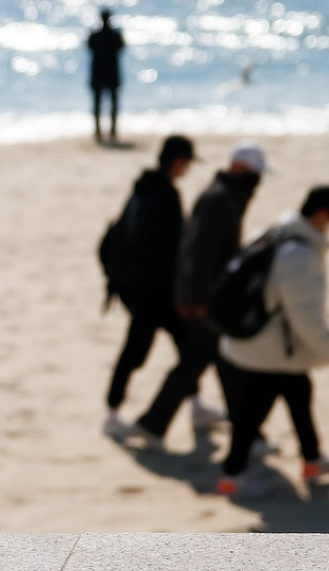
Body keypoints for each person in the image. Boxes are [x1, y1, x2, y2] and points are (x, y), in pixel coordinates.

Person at [109, 141, 268, 447]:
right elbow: (192, 253)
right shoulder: (213, 200)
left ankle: (155, 423)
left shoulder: (207, 196)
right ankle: (246, 434)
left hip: (171, 295)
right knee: (206, 363)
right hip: (183, 299)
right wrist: (191, 300)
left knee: (196, 362)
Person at [216, 187, 329, 495]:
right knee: (253, 412)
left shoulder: (272, 233)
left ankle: (313, 460)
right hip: (271, 348)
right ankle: (232, 476)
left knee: (299, 391)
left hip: (257, 341)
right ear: (321, 214)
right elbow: (304, 314)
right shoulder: (299, 255)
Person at [103, 135, 196, 435]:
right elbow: (172, 251)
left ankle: (196, 405)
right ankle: (112, 413)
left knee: (186, 345)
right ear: (179, 161)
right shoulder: (165, 195)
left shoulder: (143, 187)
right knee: (139, 349)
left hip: (134, 285)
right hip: (152, 291)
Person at [87, 8, 125, 144]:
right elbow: (122, 47)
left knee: (99, 104)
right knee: (111, 104)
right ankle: (111, 132)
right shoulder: (115, 36)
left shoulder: (95, 36)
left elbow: (89, 48)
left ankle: (100, 132)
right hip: (111, 73)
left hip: (99, 73)